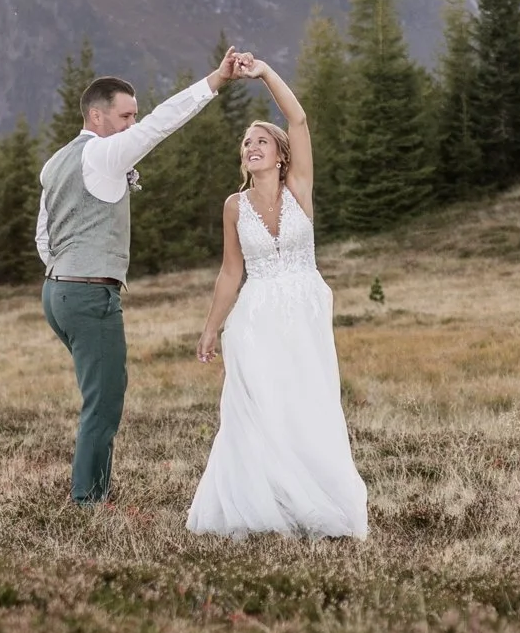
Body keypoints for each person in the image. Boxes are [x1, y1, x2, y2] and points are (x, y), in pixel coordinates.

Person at [37, 49, 242, 504]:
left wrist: (65, 273)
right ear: (97, 114)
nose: (133, 122)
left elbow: (43, 237)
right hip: (89, 295)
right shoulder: (104, 155)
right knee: (104, 401)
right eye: (125, 115)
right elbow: (161, 124)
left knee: (99, 394)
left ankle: (93, 491)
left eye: (134, 115)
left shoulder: (54, 163)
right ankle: (89, 501)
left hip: (56, 293)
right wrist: (214, 80)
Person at [188, 52, 368, 538]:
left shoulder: (299, 189)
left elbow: (299, 117)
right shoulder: (234, 206)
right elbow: (230, 273)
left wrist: (263, 73)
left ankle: (308, 501)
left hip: (304, 313)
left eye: (261, 140)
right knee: (258, 407)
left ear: (281, 153)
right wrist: (211, 328)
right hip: (254, 319)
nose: (251, 146)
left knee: (306, 405)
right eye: (246, 142)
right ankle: (258, 505)